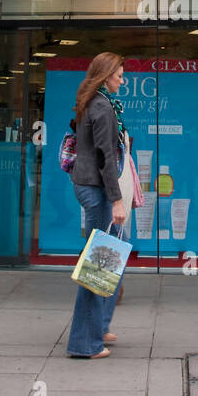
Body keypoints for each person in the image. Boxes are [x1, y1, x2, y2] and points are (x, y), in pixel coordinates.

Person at [66, 51, 129, 359]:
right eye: (119, 74)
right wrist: (116, 199)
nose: (123, 78)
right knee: (98, 265)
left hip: (90, 185)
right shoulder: (102, 107)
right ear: (106, 77)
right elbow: (105, 156)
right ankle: (84, 343)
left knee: (114, 253)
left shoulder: (97, 102)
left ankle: (99, 326)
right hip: (97, 189)